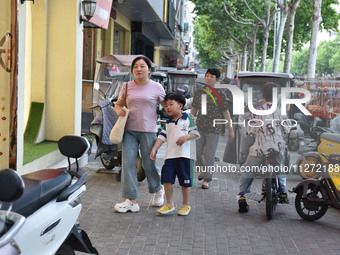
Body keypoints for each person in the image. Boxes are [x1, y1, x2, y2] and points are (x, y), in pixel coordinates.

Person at [114, 56, 165, 213]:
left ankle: (158, 189)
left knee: (148, 164)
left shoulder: (157, 87)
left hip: (148, 131)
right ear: (132, 70)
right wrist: (119, 110)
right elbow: (118, 104)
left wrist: (181, 118)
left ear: (149, 70)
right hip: (129, 130)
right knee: (128, 163)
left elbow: (168, 106)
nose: (138, 69)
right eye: (135, 66)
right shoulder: (127, 86)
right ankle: (131, 200)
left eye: (142, 66)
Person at [238, 82, 289, 213]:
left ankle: (242, 198)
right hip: (277, 147)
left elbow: (251, 131)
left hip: (260, 147)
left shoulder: (257, 111)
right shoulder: (280, 111)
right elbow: (287, 128)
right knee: (280, 167)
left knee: (247, 169)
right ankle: (283, 191)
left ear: (262, 95)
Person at [150, 93, 200, 216]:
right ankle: (169, 204)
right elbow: (162, 137)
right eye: (166, 105)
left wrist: (186, 137)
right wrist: (154, 149)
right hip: (170, 157)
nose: (167, 108)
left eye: (171, 104)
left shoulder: (188, 118)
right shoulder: (168, 122)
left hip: (185, 157)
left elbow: (196, 133)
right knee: (167, 180)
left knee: (185, 182)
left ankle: (185, 205)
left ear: (180, 105)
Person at [190, 68, 234, 189]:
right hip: (200, 126)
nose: (208, 78)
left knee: (209, 154)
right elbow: (194, 109)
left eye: (212, 76)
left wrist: (230, 128)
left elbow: (226, 112)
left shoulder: (220, 94)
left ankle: (207, 179)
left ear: (217, 79)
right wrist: (188, 123)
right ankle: (205, 170)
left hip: (214, 128)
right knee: (197, 152)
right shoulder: (199, 92)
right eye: (207, 75)